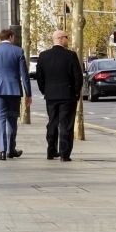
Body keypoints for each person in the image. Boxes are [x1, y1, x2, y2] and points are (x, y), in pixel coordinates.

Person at [0, 29, 32, 160]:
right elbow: (24, 74)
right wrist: (28, 93)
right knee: (12, 120)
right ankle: (11, 149)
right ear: (10, 37)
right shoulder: (18, 51)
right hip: (13, 90)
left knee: (0, 120)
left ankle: (2, 151)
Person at [35, 30, 83, 162]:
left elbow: (39, 76)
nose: (68, 39)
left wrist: (45, 90)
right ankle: (64, 153)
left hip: (51, 95)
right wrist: (76, 91)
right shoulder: (70, 55)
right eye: (67, 37)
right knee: (66, 124)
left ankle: (51, 151)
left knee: (52, 123)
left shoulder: (44, 56)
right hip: (67, 95)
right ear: (61, 38)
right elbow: (77, 76)